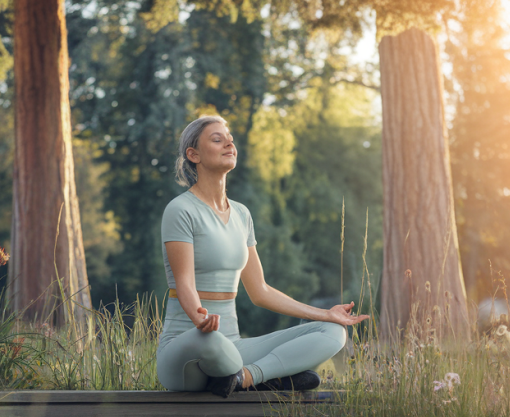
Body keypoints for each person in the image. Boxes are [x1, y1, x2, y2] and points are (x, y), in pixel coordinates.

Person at [156, 115, 369, 397]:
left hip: (232, 348)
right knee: (213, 344)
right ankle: (269, 375)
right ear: (193, 154)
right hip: (188, 347)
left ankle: (246, 377)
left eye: (229, 138)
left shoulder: (242, 214)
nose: (229, 143)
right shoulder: (180, 210)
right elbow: (184, 283)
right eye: (217, 139)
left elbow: (261, 291)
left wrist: (326, 315)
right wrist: (199, 319)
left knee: (332, 333)